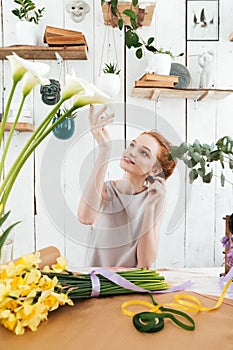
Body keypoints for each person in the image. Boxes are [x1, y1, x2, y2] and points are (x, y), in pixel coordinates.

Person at [78, 105, 176, 268]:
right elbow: (85, 217)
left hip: (131, 287)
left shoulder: (155, 198)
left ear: (156, 169)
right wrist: (104, 149)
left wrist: (150, 206)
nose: (132, 152)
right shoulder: (105, 190)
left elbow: (145, 262)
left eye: (144, 152)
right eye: (132, 145)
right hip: (95, 285)